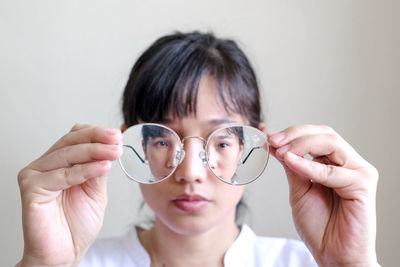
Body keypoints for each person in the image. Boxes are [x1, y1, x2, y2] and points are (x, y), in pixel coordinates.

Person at [16, 31, 380, 267]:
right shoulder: (75, 263)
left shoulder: (308, 263)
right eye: (162, 139)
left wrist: (353, 263)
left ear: (251, 146)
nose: (190, 172)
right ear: (130, 145)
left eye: (221, 140)